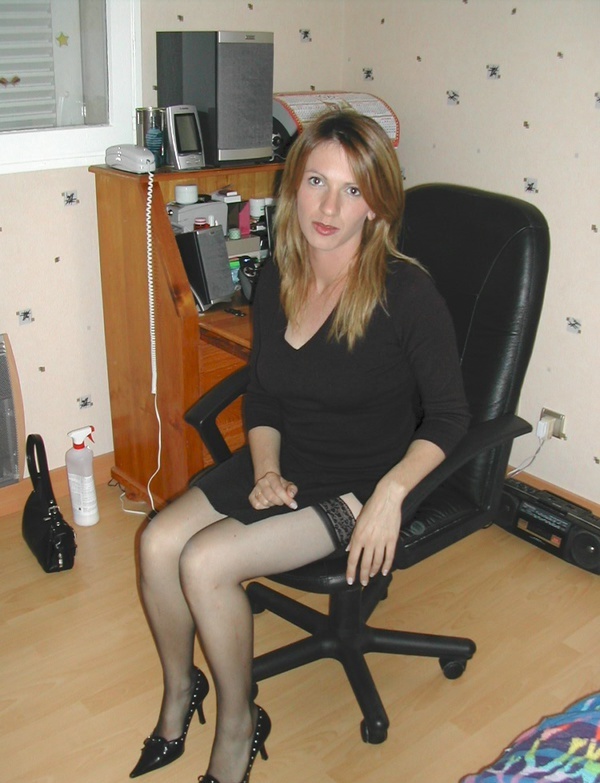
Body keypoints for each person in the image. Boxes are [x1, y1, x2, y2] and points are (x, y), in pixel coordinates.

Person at [130, 109, 470, 783]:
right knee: (157, 543)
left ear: (376, 205)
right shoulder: (278, 277)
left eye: (351, 189)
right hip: (291, 462)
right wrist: (265, 468)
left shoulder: (407, 293)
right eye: (317, 181)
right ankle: (181, 691)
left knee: (205, 562)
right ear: (294, 186)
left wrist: (392, 493)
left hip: (362, 482)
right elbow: (264, 396)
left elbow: (451, 416)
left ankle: (238, 725)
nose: (329, 207)